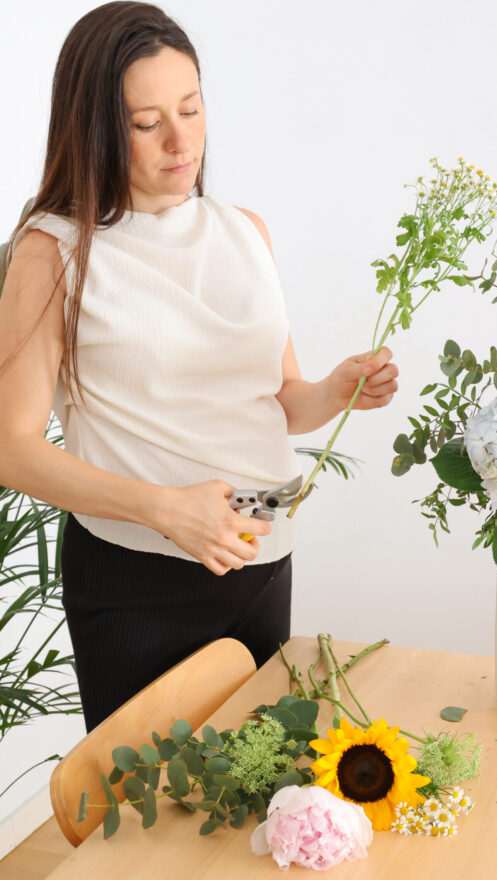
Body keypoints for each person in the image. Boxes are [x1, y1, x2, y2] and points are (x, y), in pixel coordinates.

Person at [0, 2, 399, 732]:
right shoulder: (51, 252)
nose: (180, 140)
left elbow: (279, 399)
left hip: (260, 553)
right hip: (136, 576)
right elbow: (11, 449)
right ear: (92, 129)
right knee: (147, 816)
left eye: (190, 107)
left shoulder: (244, 232)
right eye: (146, 122)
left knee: (252, 798)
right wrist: (167, 509)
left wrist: (333, 392)